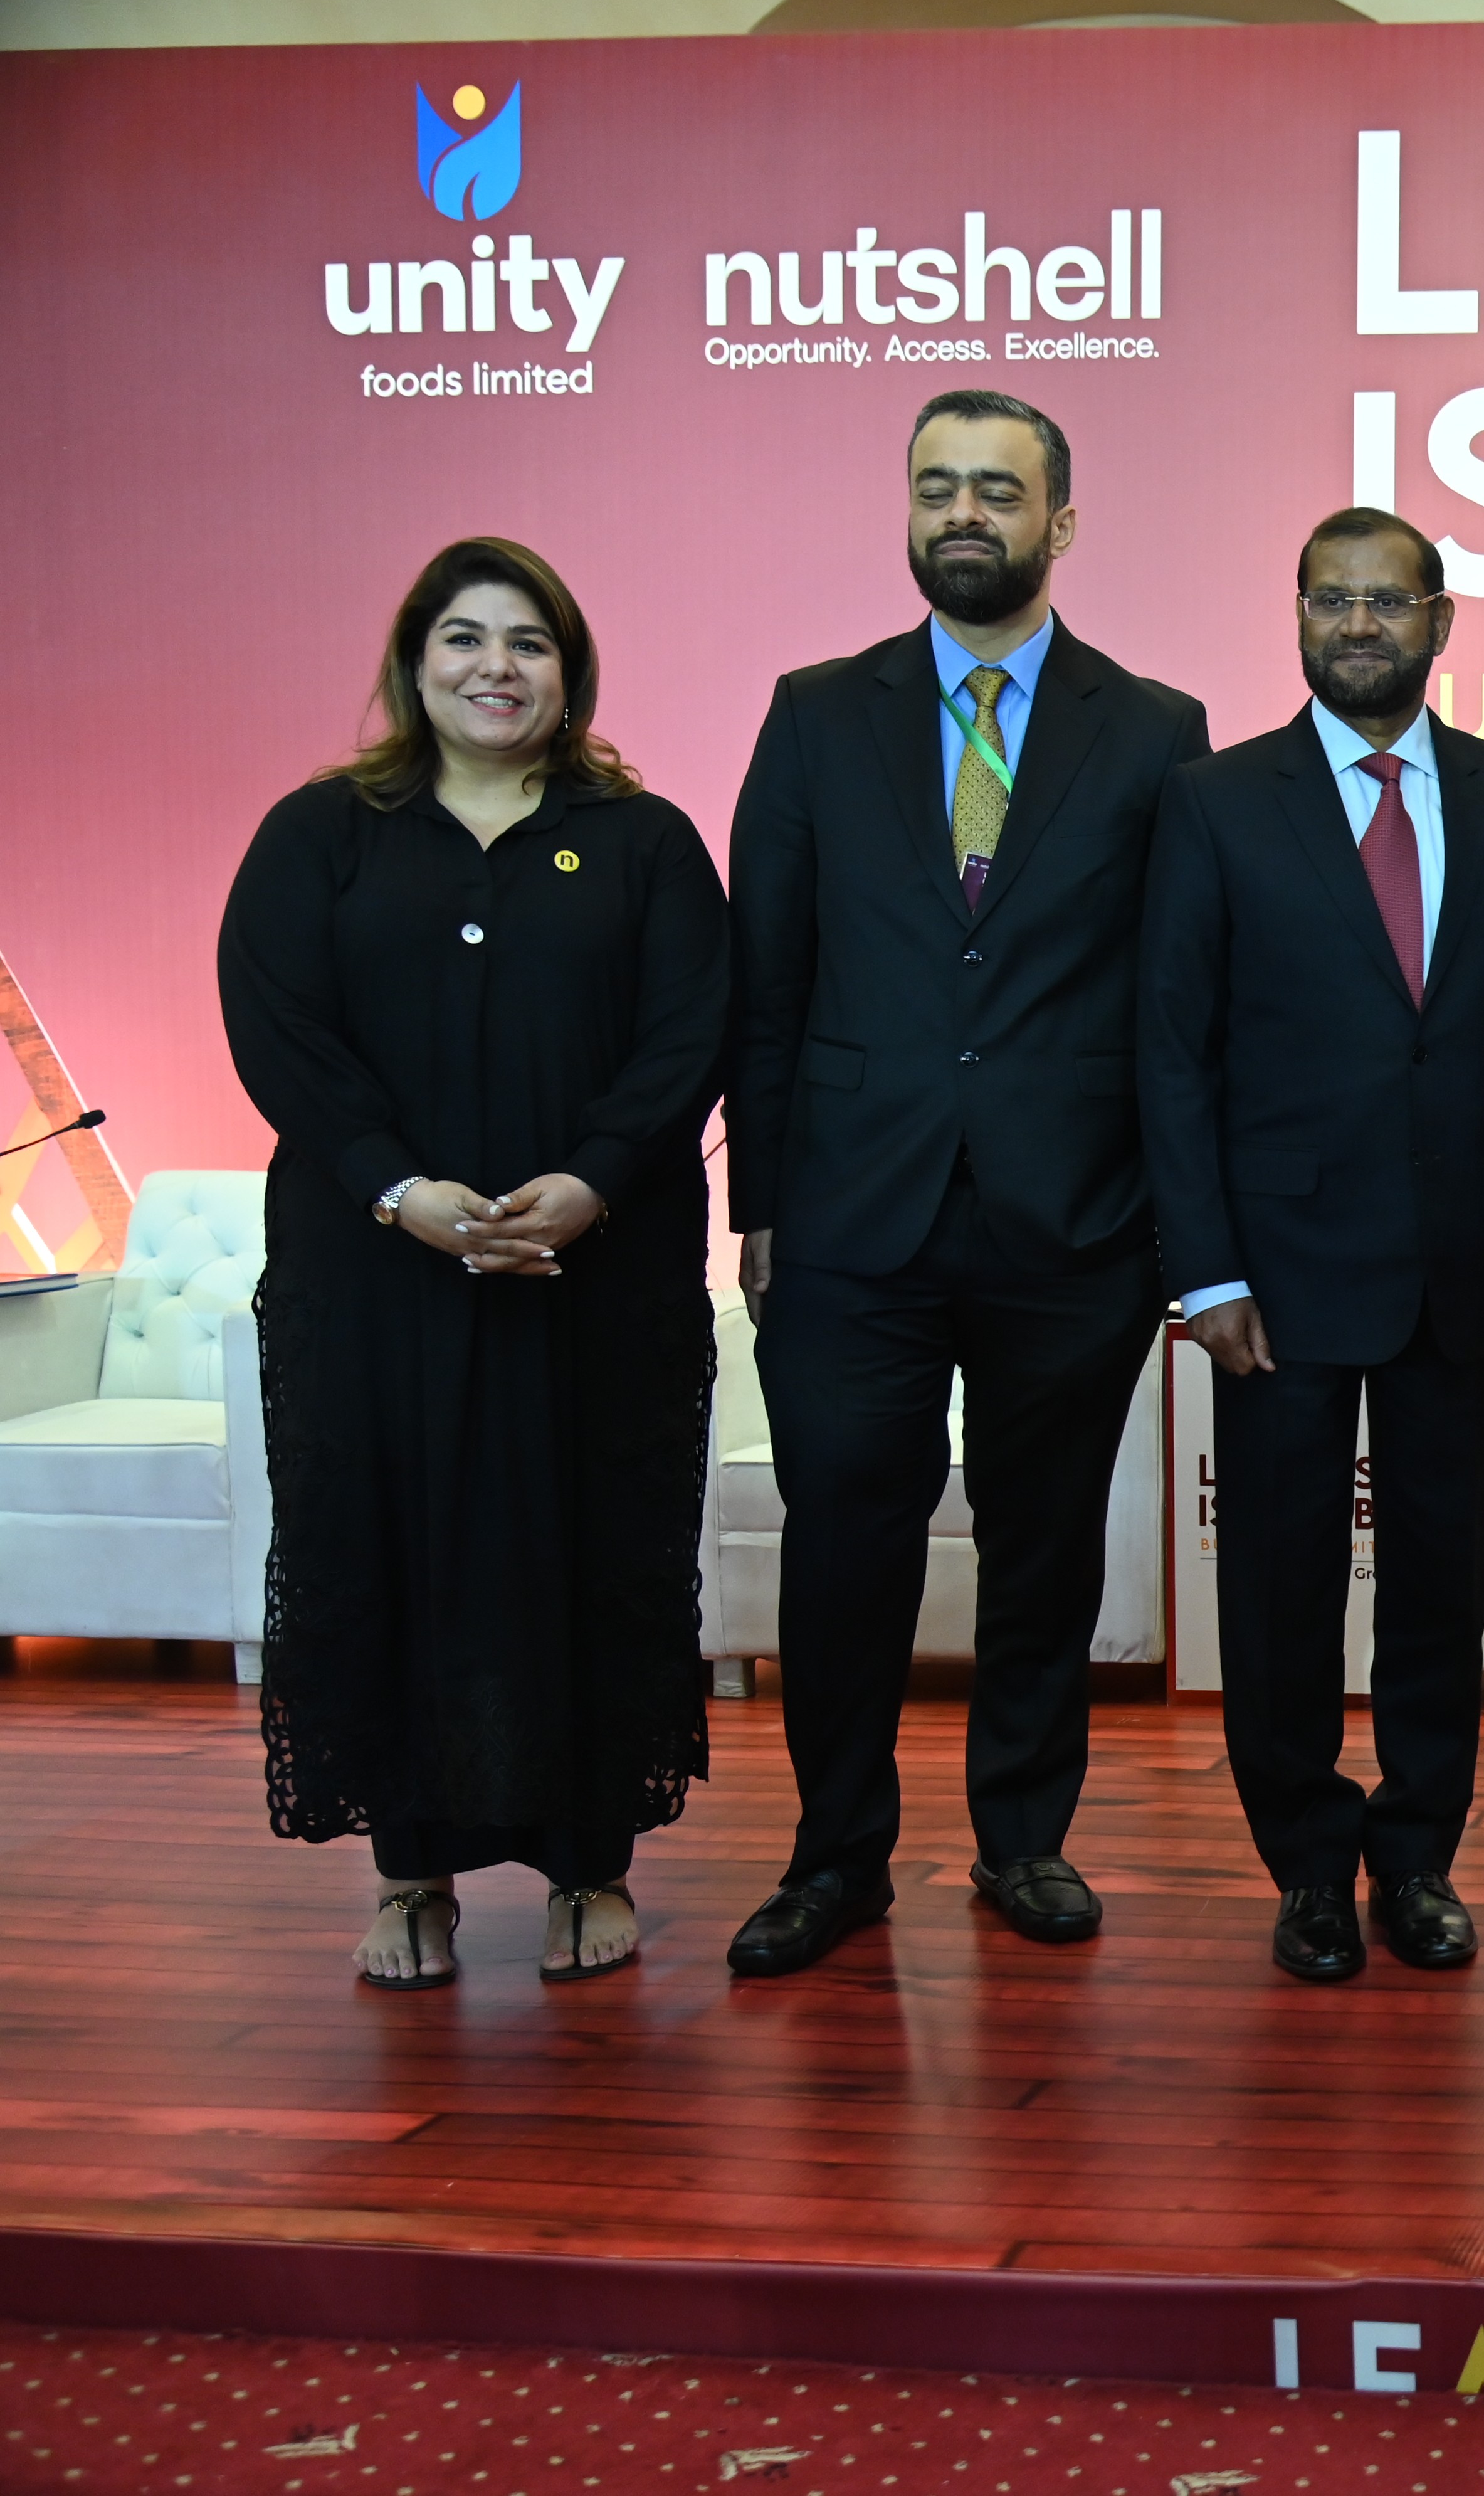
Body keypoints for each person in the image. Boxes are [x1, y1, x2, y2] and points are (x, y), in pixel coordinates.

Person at [722, 390, 1209, 1977]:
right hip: (852, 1219)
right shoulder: (814, 711)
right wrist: (761, 1212)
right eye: (937, 486)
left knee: (1045, 1542)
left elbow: (1174, 998)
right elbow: (766, 978)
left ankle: (1023, 1838)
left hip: (1075, 1219)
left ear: (1061, 520)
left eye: (998, 489)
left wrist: (1170, 1225)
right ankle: (835, 1854)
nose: (964, 513)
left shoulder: (1153, 728)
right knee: (844, 1535)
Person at [218, 536, 726, 1991]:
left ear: (570, 673)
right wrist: (400, 1190)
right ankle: (411, 1872)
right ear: (414, 661)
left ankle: (590, 1862)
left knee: (591, 1540)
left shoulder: (643, 841)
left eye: (530, 642)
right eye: (464, 638)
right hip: (374, 1272)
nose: (496, 666)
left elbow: (687, 1032)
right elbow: (279, 1033)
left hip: (595, 1274)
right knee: (388, 1544)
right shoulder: (320, 835)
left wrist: (590, 1182)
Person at [1138, 508, 1484, 1983]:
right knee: (1279, 1586)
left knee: (1439, 1580)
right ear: (1297, 617)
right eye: (1330, 598)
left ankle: (1419, 1855)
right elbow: (1175, 1053)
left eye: (1387, 600)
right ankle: (1310, 1867)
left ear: (1442, 622)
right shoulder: (1214, 801)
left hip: (1463, 1261)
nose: (1357, 624)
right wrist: (1203, 1270)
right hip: (1272, 1275)